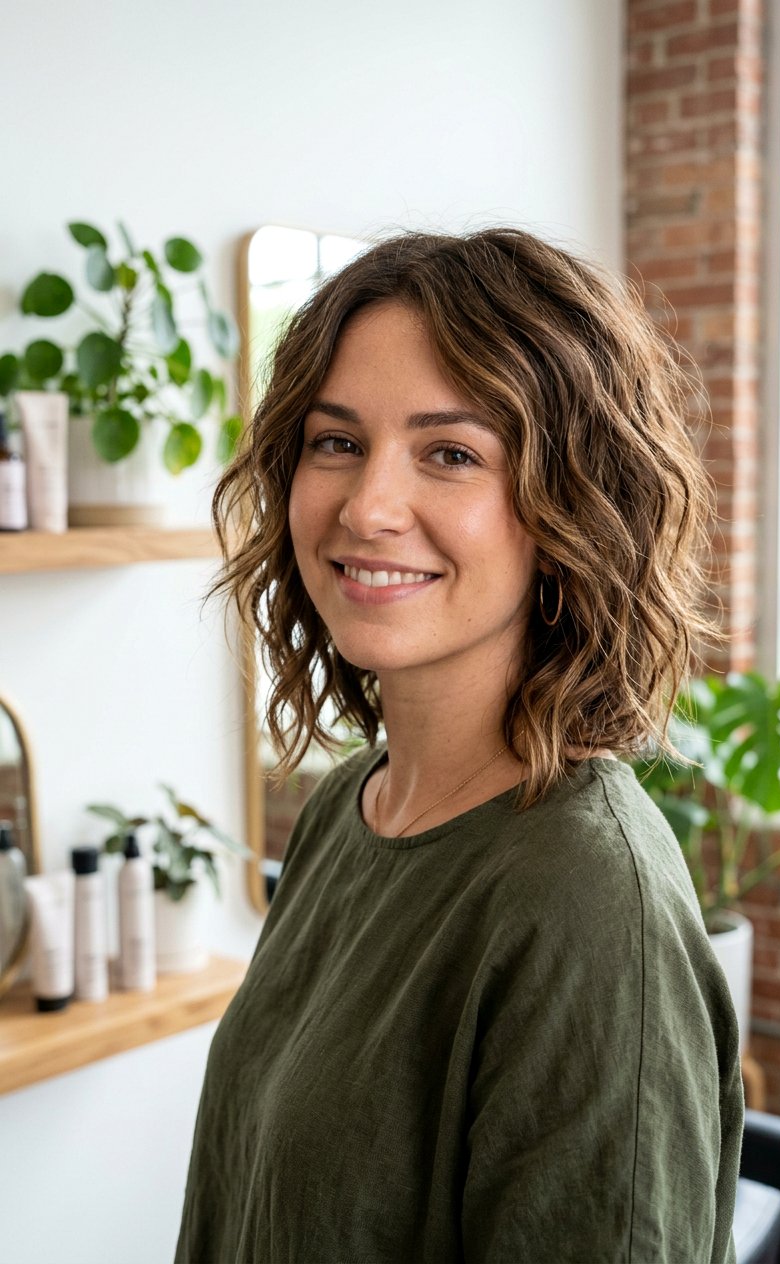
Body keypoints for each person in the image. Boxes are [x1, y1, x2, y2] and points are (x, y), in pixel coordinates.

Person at [175, 228, 743, 1263]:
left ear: (570, 505)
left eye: (450, 453)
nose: (367, 506)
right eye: (335, 441)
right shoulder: (352, 810)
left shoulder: (584, 901)